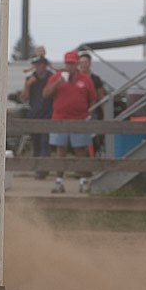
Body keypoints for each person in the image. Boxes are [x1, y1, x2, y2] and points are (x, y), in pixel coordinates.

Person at [43, 50, 97, 194]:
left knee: (81, 152)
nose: (70, 66)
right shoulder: (57, 77)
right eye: (68, 63)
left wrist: (89, 114)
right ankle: (59, 182)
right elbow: (46, 94)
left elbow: (93, 99)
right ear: (65, 63)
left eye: (73, 63)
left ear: (77, 64)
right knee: (61, 152)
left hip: (79, 120)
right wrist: (59, 82)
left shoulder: (86, 80)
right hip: (60, 120)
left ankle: (83, 182)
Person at [19, 55, 53, 179]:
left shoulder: (51, 77)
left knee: (45, 142)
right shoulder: (31, 78)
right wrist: (28, 85)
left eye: (40, 64)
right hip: (34, 114)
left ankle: (43, 169)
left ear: (45, 65)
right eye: (36, 64)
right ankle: (38, 168)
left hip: (49, 114)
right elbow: (23, 98)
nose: (38, 67)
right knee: (36, 143)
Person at [78, 51, 107, 155]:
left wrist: (105, 114)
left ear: (89, 63)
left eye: (85, 62)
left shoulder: (96, 79)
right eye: (81, 62)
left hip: (93, 113)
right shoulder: (74, 78)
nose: (83, 64)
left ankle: (91, 159)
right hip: (77, 113)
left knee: (93, 139)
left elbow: (101, 97)